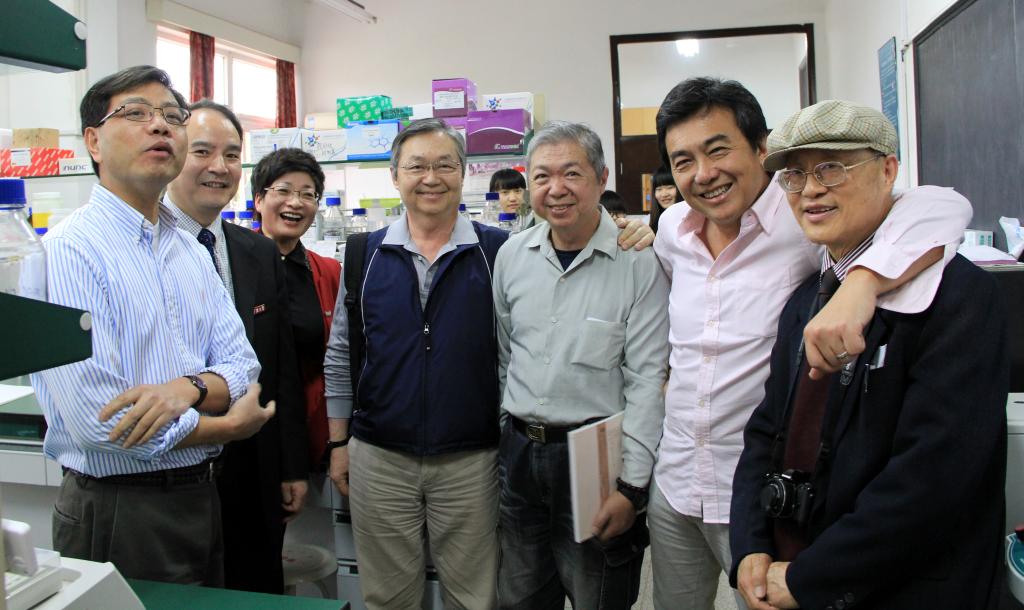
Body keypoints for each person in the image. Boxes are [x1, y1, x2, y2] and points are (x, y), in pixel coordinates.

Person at [648, 77, 972, 610]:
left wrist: (864, 282)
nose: (703, 174)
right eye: (683, 161)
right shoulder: (672, 230)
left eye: (718, 149)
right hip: (678, 477)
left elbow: (943, 207)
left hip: (760, 490)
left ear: (761, 148)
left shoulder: (803, 214)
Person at [730, 99, 1007, 610]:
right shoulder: (806, 299)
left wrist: (814, 577)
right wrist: (750, 543)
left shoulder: (957, 295)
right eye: (794, 175)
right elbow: (767, 430)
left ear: (888, 170)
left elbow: (933, 478)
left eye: (831, 168)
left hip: (900, 587)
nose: (811, 189)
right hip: (796, 570)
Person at [30, 65, 273, 585]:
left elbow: (243, 367)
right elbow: (101, 421)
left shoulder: (188, 247)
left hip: (200, 494)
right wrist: (224, 427)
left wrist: (184, 390)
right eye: (136, 113)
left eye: (171, 116)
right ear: (93, 141)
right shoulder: (68, 251)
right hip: (119, 507)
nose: (160, 126)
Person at [493, 121, 670, 610]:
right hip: (520, 454)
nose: (556, 189)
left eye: (572, 173)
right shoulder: (512, 256)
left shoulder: (638, 261)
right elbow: (506, 355)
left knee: (599, 595)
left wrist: (632, 487)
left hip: (597, 458)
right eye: (542, 176)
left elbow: (646, 380)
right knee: (521, 597)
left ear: (601, 177)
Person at [164, 99, 308, 594]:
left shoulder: (258, 251)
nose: (219, 167)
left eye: (231, 155)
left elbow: (280, 367)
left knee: (255, 589)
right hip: (174, 465)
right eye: (202, 151)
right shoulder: (146, 247)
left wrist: (290, 466)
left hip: (254, 466)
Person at [252, 148, 340, 469]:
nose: (295, 202)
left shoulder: (328, 271)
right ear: (259, 200)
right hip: (248, 433)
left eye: (307, 194)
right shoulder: (233, 264)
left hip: (312, 431)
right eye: (284, 191)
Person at [648, 165, 681, 234]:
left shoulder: (694, 219)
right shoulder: (648, 222)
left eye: (670, 187)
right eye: (659, 189)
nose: (664, 194)